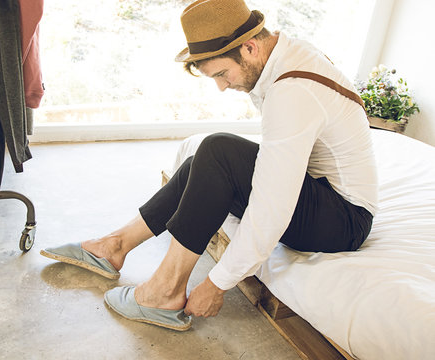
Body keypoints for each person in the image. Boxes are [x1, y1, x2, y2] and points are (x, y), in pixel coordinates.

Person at [40, 0, 378, 331]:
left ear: (249, 48)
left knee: (219, 151)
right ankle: (114, 246)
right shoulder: (285, 55)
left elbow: (271, 210)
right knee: (206, 156)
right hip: (320, 193)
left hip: (344, 220)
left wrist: (217, 283)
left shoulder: (293, 91)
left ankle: (164, 293)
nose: (221, 86)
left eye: (222, 73)